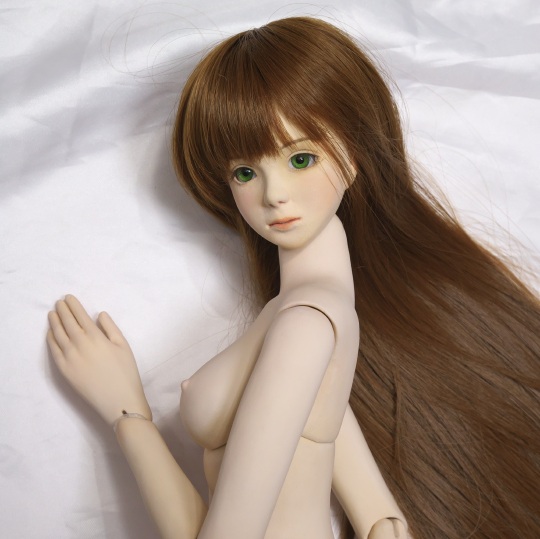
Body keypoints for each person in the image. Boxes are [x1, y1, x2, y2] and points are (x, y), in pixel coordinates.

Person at [47, 16, 540, 539]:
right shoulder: (310, 313)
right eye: (245, 172)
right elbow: (382, 517)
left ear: (354, 155)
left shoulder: (307, 323)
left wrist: (128, 416)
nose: (274, 195)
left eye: (301, 158)